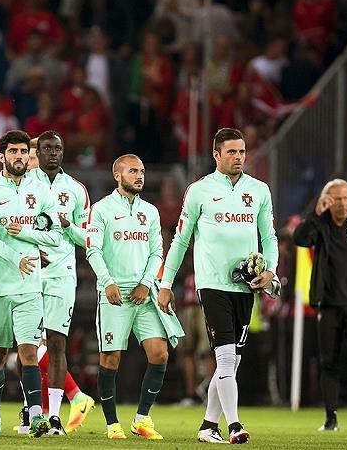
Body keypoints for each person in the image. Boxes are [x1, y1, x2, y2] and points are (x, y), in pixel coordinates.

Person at [160, 127, 278, 444]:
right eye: (232, 152)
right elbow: (180, 240)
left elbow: (269, 237)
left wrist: (271, 270)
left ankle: (208, 425)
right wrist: (166, 283)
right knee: (225, 359)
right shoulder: (199, 191)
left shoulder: (259, 190)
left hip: (246, 286)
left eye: (242, 151)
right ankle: (234, 425)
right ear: (216, 155)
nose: (239, 157)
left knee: (232, 361)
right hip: (212, 284)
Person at [87, 154, 183, 440]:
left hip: (144, 293)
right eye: (132, 171)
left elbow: (157, 252)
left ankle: (142, 419)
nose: (139, 176)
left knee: (160, 353)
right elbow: (93, 250)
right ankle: (112, 424)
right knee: (111, 359)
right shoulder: (101, 209)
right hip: (114, 293)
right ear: (117, 175)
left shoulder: (150, 212)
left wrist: (145, 283)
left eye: (141, 171)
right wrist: (107, 282)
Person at [0, 130, 61, 438]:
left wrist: (25, 234)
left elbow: (55, 236)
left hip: (29, 287)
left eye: (24, 151)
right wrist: (16, 258)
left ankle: (36, 417)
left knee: (29, 352)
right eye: (13, 151)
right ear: (2, 156)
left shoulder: (41, 191)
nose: (19, 157)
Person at [24, 131, 95, 434]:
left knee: (56, 343)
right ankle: (34, 411)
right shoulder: (24, 184)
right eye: (47, 148)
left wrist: (67, 226)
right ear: (37, 153)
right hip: (28, 270)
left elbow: (89, 237)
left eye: (58, 148)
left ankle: (52, 416)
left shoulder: (76, 189)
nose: (53, 153)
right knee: (27, 345)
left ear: (63, 152)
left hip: (62, 274)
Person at [293, 178, 347, 431]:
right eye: (336, 198)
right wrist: (314, 213)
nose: (342, 203)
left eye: (345, 198)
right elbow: (300, 239)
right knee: (328, 362)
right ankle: (331, 418)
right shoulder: (320, 224)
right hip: (328, 305)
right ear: (327, 201)